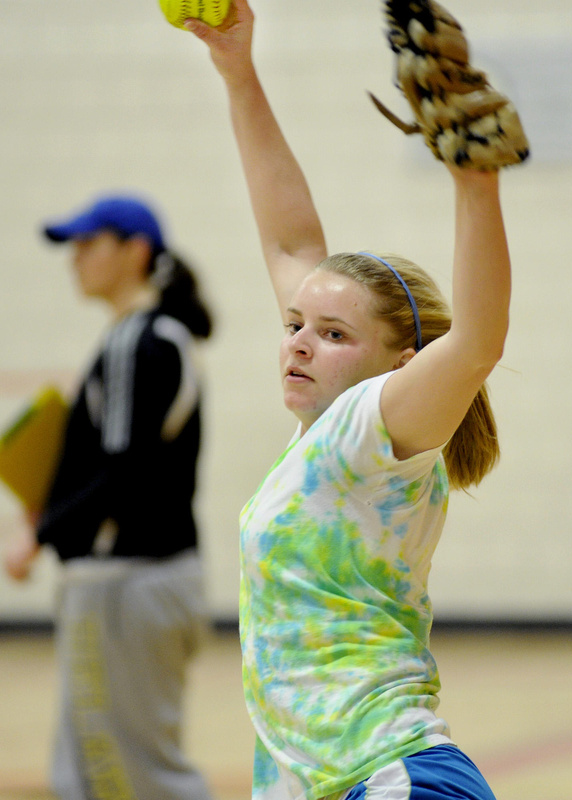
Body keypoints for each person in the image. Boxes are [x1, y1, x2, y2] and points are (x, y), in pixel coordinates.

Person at [187, 2, 511, 799]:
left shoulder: (373, 427)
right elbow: (290, 243)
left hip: (394, 776)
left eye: (333, 334)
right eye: (296, 324)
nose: (298, 340)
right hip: (329, 782)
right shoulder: (325, 441)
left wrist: (474, 182)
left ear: (400, 365)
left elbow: (474, 345)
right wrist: (236, 72)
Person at [4, 193, 216, 800]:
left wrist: (37, 537)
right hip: (143, 582)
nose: (75, 259)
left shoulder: (137, 342)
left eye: (89, 243)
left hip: (124, 582)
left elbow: (125, 471)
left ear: (135, 251)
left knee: (124, 778)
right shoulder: (154, 337)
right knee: (104, 774)